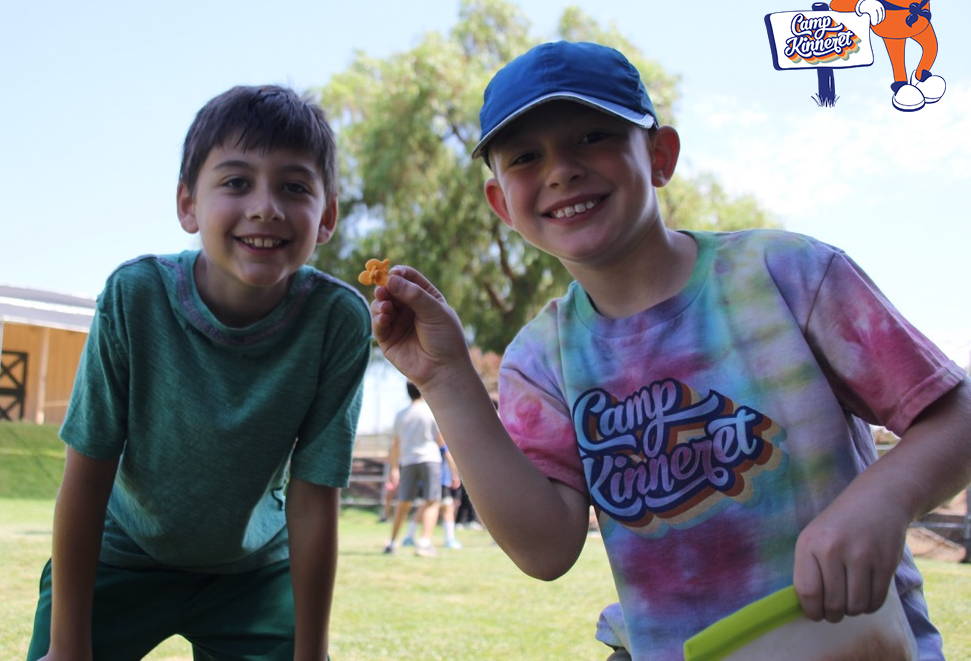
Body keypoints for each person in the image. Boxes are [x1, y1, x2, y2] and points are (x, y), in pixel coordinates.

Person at [367, 41, 971, 659]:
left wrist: (883, 500)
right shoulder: (541, 359)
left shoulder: (789, 274)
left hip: (861, 645)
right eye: (526, 156)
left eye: (592, 136)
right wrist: (446, 379)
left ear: (660, 156)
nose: (560, 170)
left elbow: (959, 414)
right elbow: (544, 550)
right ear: (501, 203)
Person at [26, 85, 372, 661]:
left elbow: (315, 494)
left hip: (254, 573)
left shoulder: (338, 320)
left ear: (327, 215)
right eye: (236, 182)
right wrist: (68, 648)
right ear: (188, 204)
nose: (265, 207)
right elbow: (86, 476)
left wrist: (311, 653)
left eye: (294, 187)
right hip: (121, 555)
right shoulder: (134, 297)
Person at [383, 381, 448, 557]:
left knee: (403, 502)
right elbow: (441, 441)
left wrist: (394, 469)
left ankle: (392, 542)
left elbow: (395, 444)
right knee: (432, 501)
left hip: (408, 461)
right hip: (431, 459)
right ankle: (424, 543)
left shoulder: (401, 415)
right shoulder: (431, 411)